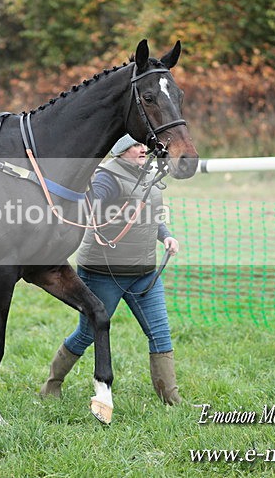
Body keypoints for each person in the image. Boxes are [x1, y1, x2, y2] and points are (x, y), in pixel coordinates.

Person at [40, 135, 182, 405]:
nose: (143, 149)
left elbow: (150, 212)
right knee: (87, 333)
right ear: (119, 150)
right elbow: (88, 207)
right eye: (136, 144)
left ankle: (172, 400)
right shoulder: (107, 177)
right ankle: (52, 385)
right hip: (104, 273)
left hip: (144, 273)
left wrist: (165, 235)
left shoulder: (147, 173)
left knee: (160, 332)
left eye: (144, 144)